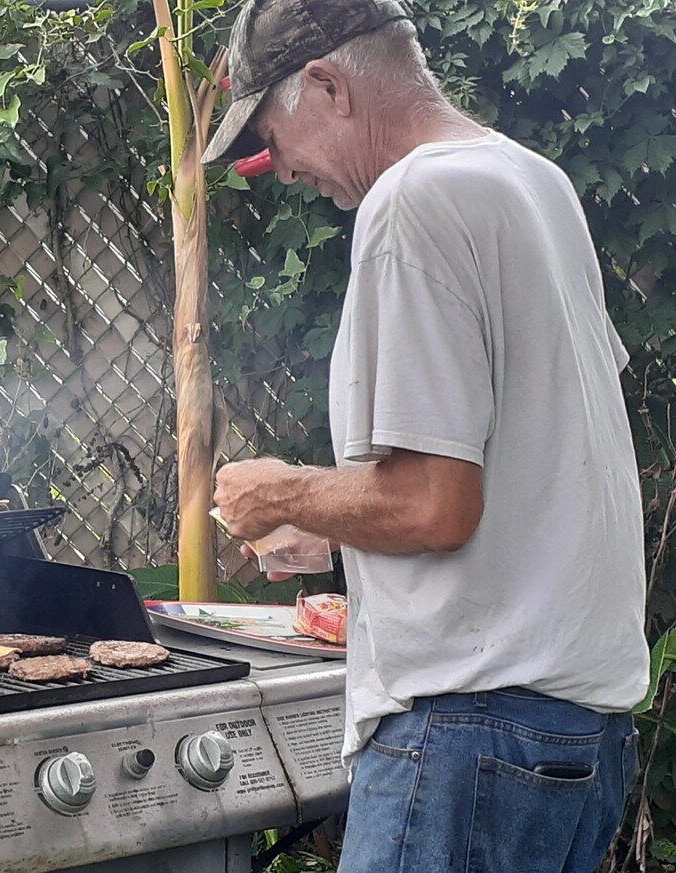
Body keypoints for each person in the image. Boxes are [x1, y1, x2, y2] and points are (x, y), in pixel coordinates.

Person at [202, 1, 649, 870]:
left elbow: (436, 503)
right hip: (575, 737)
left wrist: (282, 490)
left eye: (270, 133)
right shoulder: (533, 180)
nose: (279, 169)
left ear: (327, 84)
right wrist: (330, 521)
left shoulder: (415, 198)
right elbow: (532, 460)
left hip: (468, 737)